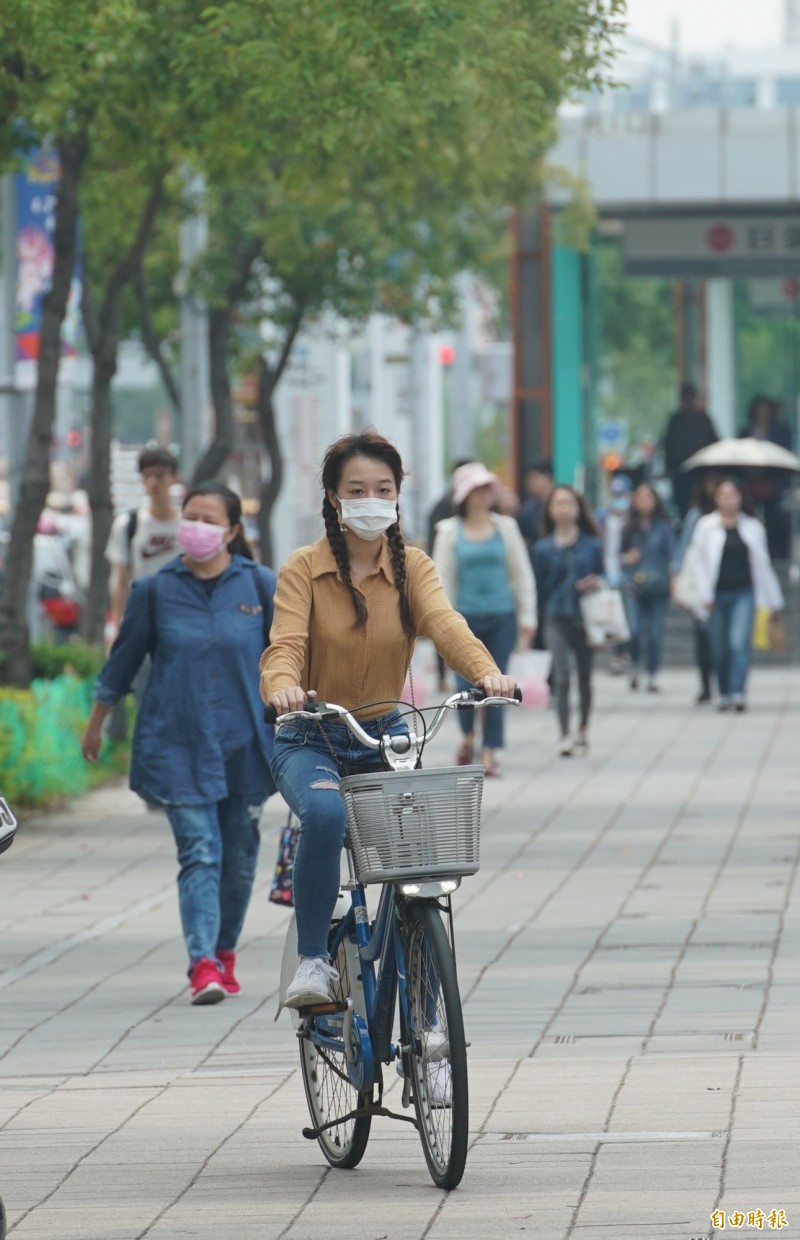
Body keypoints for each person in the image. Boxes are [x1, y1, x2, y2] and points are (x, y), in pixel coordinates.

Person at [260, 431, 516, 1009]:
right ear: (333, 497)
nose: (371, 499)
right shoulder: (304, 569)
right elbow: (285, 645)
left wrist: (487, 672)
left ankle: (427, 1018)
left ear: (399, 495)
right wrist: (282, 689)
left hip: (386, 735)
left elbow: (445, 624)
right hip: (311, 735)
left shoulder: (413, 566)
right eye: (357, 489)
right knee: (325, 813)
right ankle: (314, 962)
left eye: (383, 489)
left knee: (419, 852)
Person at [81, 483, 277, 1004]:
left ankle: (225, 950)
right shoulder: (154, 590)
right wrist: (97, 722)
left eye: (208, 518)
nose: (196, 526)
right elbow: (122, 662)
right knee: (200, 853)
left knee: (238, 859)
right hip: (176, 742)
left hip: (246, 744)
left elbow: (289, 661)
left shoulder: (260, 587)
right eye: (190, 516)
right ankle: (203, 965)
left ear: (232, 530)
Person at [432, 461, 536, 775]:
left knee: (498, 685)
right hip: (464, 621)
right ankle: (467, 737)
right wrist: (441, 625)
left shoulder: (506, 527)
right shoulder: (450, 532)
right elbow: (441, 580)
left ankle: (490, 752)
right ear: (463, 495)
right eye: (474, 490)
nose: (481, 496)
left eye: (484, 489)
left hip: (502, 616)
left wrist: (528, 617)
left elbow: (521, 574)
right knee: (464, 686)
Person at [688, 478, 784, 712]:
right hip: (715, 595)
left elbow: (762, 565)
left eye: (733, 494)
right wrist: (703, 594)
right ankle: (724, 691)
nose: (728, 500)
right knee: (719, 647)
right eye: (723, 495)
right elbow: (697, 563)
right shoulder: (705, 526)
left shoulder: (753, 527)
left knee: (738, 642)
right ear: (716, 498)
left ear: (741, 498)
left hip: (744, 593)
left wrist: (772, 600)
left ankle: (738, 691)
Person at [532, 486, 604, 758]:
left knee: (585, 676)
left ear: (578, 508)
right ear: (550, 509)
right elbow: (538, 587)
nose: (564, 508)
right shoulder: (542, 548)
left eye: (569, 503)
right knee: (561, 675)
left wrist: (595, 582)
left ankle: (582, 729)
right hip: (555, 616)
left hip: (586, 617)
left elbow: (605, 575)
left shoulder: (592, 544)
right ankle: (564, 734)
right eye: (558, 503)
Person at [620, 484, 675, 693]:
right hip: (634, 584)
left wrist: (673, 579)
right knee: (634, 629)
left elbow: (672, 555)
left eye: (648, 496)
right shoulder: (628, 528)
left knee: (655, 632)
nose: (643, 501)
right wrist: (627, 558)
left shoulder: (664, 527)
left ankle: (653, 672)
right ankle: (634, 663)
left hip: (658, 584)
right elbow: (617, 556)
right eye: (639, 496)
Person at [426, 457, 475, 691]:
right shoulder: (445, 506)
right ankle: (446, 675)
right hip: (448, 579)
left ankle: (449, 675)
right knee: (444, 622)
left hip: (478, 591)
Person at [672, 473, 719, 703]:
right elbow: (684, 546)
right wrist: (676, 573)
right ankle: (706, 684)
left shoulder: (740, 518)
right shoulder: (697, 516)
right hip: (701, 583)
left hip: (729, 584)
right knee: (703, 636)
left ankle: (728, 682)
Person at [740, 394, 792, 559]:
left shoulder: (780, 433)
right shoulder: (745, 432)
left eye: (765, 410)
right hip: (750, 482)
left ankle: (772, 553)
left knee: (773, 521)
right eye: (759, 410)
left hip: (772, 482)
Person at [595, 475, 633, 674]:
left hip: (627, 574)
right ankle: (619, 656)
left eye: (622, 494)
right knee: (613, 618)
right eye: (616, 494)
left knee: (628, 618)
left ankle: (627, 655)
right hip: (607, 572)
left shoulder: (634, 518)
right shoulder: (602, 517)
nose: (619, 498)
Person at [663, 382, 718, 518]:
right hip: (679, 470)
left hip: (700, 471)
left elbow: (713, 442)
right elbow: (668, 445)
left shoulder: (703, 420)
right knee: (680, 503)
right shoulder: (675, 420)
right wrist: (669, 468)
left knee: (700, 500)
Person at [517, 458, 553, 562]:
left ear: (547, 477)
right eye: (527, 480)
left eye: (533, 478)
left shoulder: (564, 505)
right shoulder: (526, 512)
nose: (529, 484)